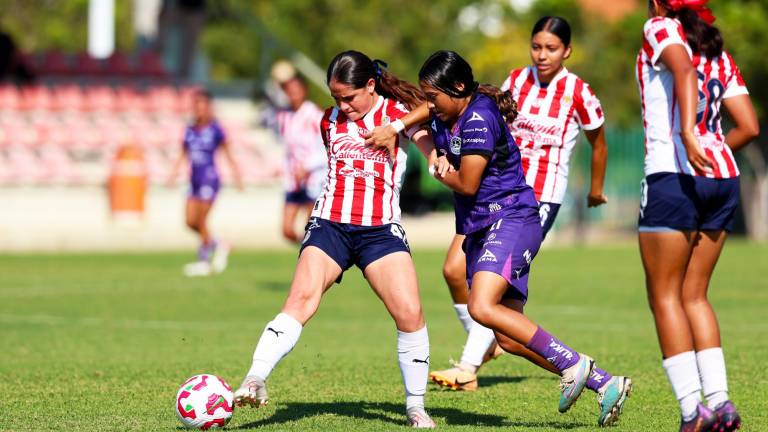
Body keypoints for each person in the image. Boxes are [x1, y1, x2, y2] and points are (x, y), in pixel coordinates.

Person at [421, 50, 629, 427]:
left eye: (433, 97)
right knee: (510, 338)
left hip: (510, 218)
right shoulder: (447, 111)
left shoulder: (478, 118)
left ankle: (574, 364)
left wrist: (437, 167)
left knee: (481, 307)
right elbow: (421, 116)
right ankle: (606, 383)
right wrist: (412, 126)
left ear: (458, 88)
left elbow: (467, 184)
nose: (429, 106)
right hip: (484, 227)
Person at [233, 51, 438, 428]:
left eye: (349, 97)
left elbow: (432, 107)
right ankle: (254, 378)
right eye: (335, 98)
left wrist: (420, 146)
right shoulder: (328, 121)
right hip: (331, 224)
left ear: (371, 85)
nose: (342, 106)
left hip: (380, 230)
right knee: (300, 299)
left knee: (410, 314)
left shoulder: (397, 115)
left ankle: (415, 406)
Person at [637, 1, 758, 431]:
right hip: (722, 178)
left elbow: (683, 72)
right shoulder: (718, 50)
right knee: (695, 295)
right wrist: (713, 148)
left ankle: (693, 412)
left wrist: (688, 136)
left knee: (665, 297)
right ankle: (722, 404)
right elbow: (749, 126)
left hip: (674, 174)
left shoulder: (658, 28)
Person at [167, 90, 243, 276]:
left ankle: (203, 261)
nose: (198, 109)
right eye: (196, 105)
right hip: (194, 180)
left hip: (210, 179)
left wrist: (237, 175)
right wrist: (174, 173)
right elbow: (183, 153)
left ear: (208, 107)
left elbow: (227, 152)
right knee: (190, 222)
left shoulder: (216, 129)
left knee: (201, 221)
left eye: (202, 105)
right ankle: (220, 245)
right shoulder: (189, 130)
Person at [273, 74, 328, 243]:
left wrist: (308, 166)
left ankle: (313, 255)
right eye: (289, 90)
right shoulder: (283, 116)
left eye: (296, 90)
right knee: (287, 230)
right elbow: (288, 149)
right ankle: (306, 249)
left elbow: (327, 148)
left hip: (314, 177)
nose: (293, 94)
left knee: (311, 227)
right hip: (294, 179)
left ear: (304, 91)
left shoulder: (314, 114)